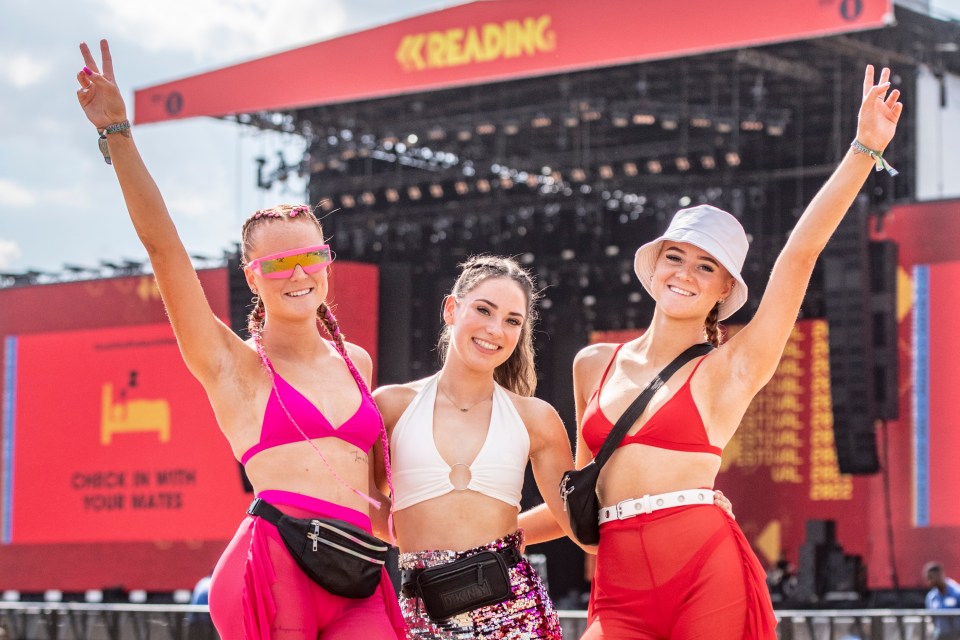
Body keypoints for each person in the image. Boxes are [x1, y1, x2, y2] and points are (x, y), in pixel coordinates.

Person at [76, 40, 404, 639]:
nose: (299, 273)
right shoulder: (232, 364)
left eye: (311, 256)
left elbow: (381, 490)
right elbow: (166, 252)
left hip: (358, 571)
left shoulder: (355, 360)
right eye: (279, 263)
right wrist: (118, 133)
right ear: (253, 276)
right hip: (273, 568)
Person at [572, 65, 903, 639]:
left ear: (725, 289)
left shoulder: (731, 368)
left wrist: (863, 150)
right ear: (654, 265)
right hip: (617, 591)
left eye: (707, 267)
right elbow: (579, 506)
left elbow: (799, 257)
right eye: (676, 256)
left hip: (705, 572)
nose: (686, 274)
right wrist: (480, 534)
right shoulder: (592, 365)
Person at [372, 256, 569, 639]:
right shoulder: (391, 406)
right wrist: (420, 537)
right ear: (451, 308)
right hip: (422, 612)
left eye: (513, 321)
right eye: (484, 310)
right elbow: (364, 500)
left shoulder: (535, 417)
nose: (495, 329)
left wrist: (502, 535)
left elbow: (573, 517)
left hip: (516, 613)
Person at [925, 562, 960, 640]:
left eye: (931, 577)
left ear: (940, 575)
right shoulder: (931, 597)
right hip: (941, 636)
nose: (929, 581)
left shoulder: (957, 592)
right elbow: (932, 619)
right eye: (928, 578)